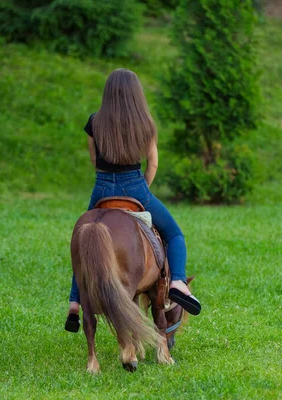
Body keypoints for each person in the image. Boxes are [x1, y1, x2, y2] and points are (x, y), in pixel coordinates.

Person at [65, 69, 201, 333]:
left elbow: (94, 160)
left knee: (85, 243)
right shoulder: (145, 124)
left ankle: (74, 302)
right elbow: (153, 163)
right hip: (135, 187)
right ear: (136, 94)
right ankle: (178, 283)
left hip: (102, 188)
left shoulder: (94, 122)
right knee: (174, 234)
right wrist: (141, 192)